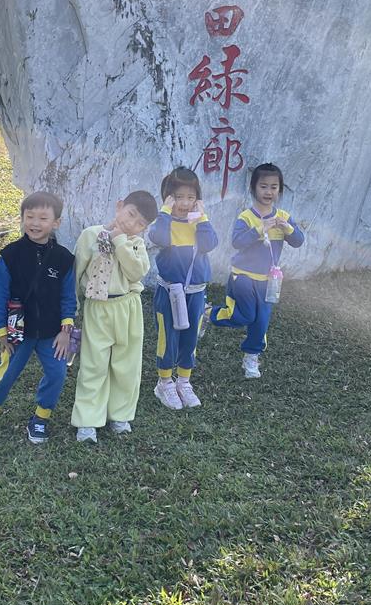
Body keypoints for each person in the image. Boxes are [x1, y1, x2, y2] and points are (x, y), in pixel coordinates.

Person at [0, 191, 76, 445]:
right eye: (30, 217)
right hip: (17, 332)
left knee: (57, 373)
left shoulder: (64, 259)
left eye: (43, 218)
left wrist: (65, 330)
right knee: (7, 373)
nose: (35, 223)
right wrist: (1, 331)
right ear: (23, 218)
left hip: (52, 333)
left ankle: (41, 418)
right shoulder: (10, 255)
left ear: (56, 222)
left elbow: (68, 298)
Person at [70, 189, 159, 443]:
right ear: (119, 206)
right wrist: (71, 309)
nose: (131, 224)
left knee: (127, 365)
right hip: (98, 308)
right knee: (93, 364)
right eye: (130, 214)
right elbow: (76, 273)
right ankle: (87, 420)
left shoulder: (136, 244)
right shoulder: (90, 235)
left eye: (140, 223)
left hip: (128, 307)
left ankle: (120, 415)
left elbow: (136, 273)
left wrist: (120, 242)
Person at [210, 163, 305, 379]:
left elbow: (298, 241)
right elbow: (237, 242)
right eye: (263, 186)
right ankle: (209, 314)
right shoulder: (246, 217)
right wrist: (261, 229)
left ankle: (251, 357)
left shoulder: (283, 216)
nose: (268, 192)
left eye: (274, 187)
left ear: (279, 190)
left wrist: (288, 228)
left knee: (261, 322)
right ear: (253, 188)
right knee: (244, 316)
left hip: (268, 281)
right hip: (242, 277)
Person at [148, 167, 218, 410]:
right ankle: (164, 383)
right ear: (168, 198)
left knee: (190, 339)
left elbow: (209, 244)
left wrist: (203, 218)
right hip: (169, 291)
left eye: (191, 197)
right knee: (167, 337)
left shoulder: (199, 223)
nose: (185, 203)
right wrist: (165, 212)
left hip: (195, 292)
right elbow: (158, 238)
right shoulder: (164, 222)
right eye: (179, 197)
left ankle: (184, 382)